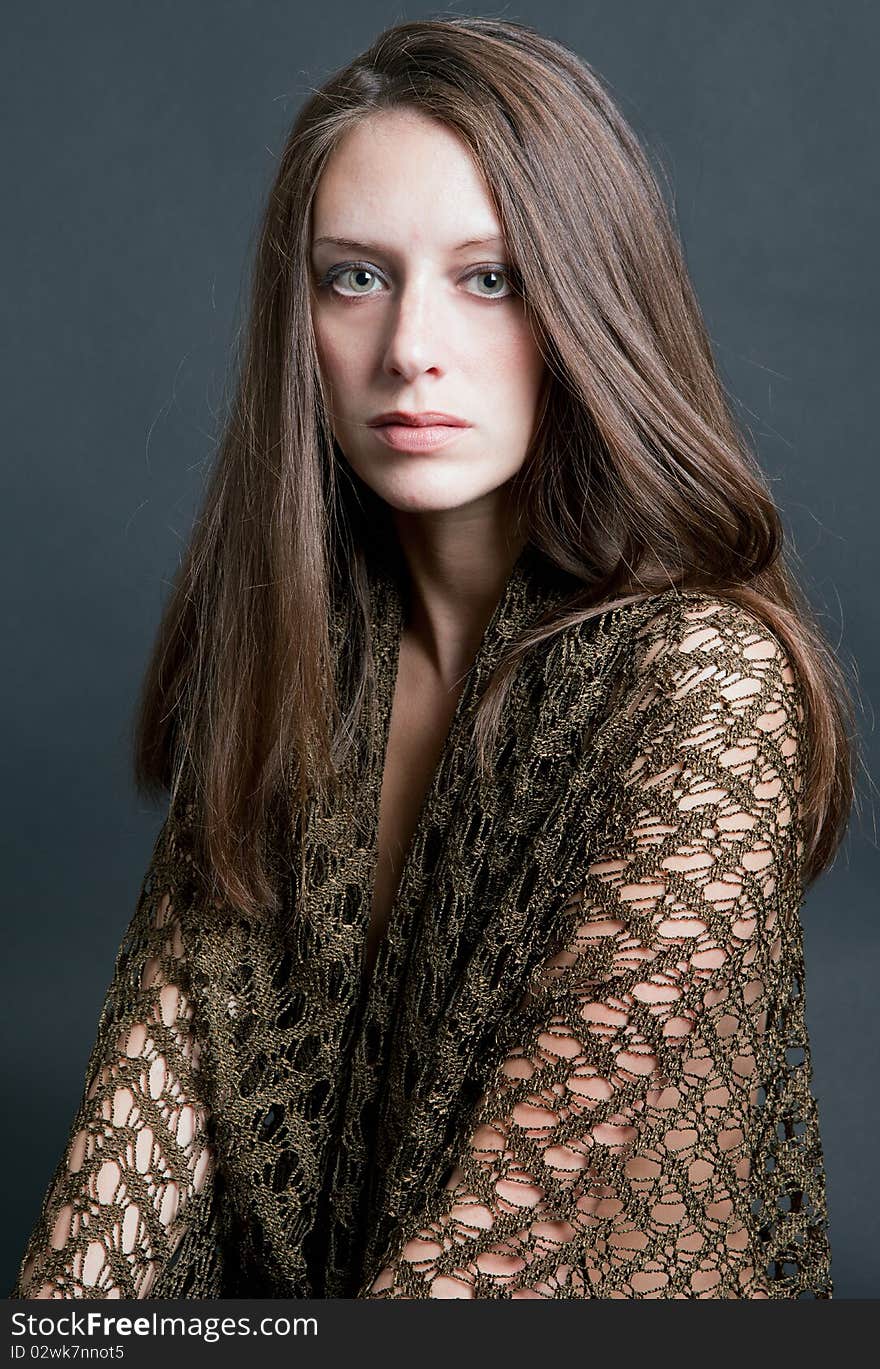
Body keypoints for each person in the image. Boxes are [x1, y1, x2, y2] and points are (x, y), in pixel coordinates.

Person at [12, 16, 855, 1300]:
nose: (411, 348)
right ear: (299, 318)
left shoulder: (702, 687)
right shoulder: (290, 682)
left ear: (589, 297)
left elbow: (485, 1261)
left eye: (490, 277)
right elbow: (106, 1230)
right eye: (356, 276)